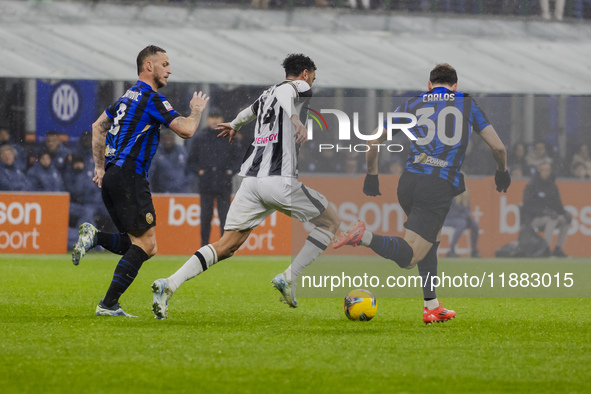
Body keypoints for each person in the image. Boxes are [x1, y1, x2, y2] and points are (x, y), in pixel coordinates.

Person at [151, 54, 341, 319]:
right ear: (305, 74)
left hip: (251, 183)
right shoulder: (298, 87)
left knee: (227, 245)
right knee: (331, 221)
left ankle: (168, 284)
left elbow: (248, 112)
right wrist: (295, 120)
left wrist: (234, 124)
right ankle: (290, 276)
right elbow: (289, 94)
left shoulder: (266, 95)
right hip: (279, 180)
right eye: (313, 78)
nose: (312, 83)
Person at [333, 63, 510, 324]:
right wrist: (502, 172)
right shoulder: (466, 103)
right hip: (436, 185)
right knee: (411, 256)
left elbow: (373, 141)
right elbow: (499, 148)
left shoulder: (412, 104)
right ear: (455, 86)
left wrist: (372, 176)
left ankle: (432, 306)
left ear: (429, 85)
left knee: (431, 240)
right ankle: (364, 236)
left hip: (409, 182)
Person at [71, 45, 210, 317]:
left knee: (137, 244)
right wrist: (195, 110)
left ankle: (94, 236)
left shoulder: (125, 98)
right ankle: (108, 304)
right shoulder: (152, 98)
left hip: (113, 176)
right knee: (146, 246)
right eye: (165, 64)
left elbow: (98, 126)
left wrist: (100, 167)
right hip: (130, 177)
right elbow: (187, 130)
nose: (169, 69)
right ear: (149, 66)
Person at [187, 112, 242, 246]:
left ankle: (224, 245)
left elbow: (238, 159)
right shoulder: (200, 138)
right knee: (205, 217)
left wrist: (230, 171)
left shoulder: (229, 136)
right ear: (207, 119)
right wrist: (199, 171)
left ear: (222, 119)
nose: (214, 120)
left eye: (217, 117)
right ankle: (204, 245)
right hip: (206, 183)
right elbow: (191, 161)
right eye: (212, 117)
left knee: (225, 217)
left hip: (224, 182)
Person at [522, 161, 570, 257]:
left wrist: (565, 213)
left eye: (547, 170)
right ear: (539, 171)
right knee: (551, 219)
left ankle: (558, 249)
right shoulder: (531, 186)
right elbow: (527, 207)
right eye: (543, 170)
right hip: (533, 219)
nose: (545, 172)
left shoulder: (552, 186)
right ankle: (546, 249)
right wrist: (544, 212)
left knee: (565, 220)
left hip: (550, 217)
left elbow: (558, 205)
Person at [149, 129, 190, 193]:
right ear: (162, 140)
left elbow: (190, 168)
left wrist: (188, 182)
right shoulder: (156, 153)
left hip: (183, 188)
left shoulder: (182, 151)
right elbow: (150, 173)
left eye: (170, 138)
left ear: (174, 139)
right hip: (163, 190)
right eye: (166, 138)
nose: (168, 141)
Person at [443, 189, 480, 258]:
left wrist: (468, 218)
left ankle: (474, 250)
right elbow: (450, 213)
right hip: (449, 220)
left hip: (462, 219)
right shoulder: (451, 196)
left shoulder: (465, 198)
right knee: (461, 223)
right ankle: (451, 250)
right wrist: (464, 216)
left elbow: (467, 211)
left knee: (474, 224)